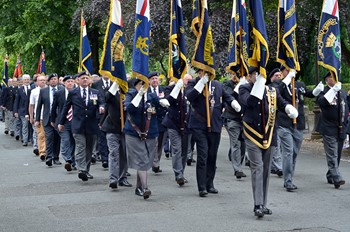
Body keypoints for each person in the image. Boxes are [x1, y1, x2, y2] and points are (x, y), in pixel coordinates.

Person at [238, 67, 298, 217]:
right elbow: (250, 103)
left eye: (261, 74)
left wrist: (288, 108)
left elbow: (281, 103)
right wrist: (258, 84)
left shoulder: (272, 91)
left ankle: (263, 203)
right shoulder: (244, 88)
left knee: (265, 170)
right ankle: (257, 204)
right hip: (252, 134)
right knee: (257, 167)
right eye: (256, 75)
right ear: (250, 76)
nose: (258, 77)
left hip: (269, 133)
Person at [186, 69, 241, 197]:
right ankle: (202, 187)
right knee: (203, 155)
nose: (205, 75)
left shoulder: (217, 85)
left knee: (212, 155)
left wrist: (233, 102)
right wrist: (201, 83)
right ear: (198, 73)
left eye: (208, 72)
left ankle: (209, 183)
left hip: (215, 125)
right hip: (199, 125)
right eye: (202, 72)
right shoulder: (192, 83)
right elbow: (189, 96)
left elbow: (227, 96)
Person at [124, 77, 169, 199]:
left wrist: (162, 104)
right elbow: (129, 109)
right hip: (134, 133)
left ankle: (138, 187)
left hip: (150, 132)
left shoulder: (151, 96)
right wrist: (139, 96)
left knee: (145, 160)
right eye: (140, 84)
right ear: (135, 86)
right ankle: (145, 188)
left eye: (145, 85)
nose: (143, 87)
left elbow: (160, 111)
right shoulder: (131, 94)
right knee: (141, 159)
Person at [277, 66, 321, 191]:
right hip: (284, 123)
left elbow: (308, 93)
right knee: (288, 151)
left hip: (298, 123)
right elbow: (277, 92)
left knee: (294, 152)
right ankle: (288, 181)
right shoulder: (279, 84)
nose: (290, 72)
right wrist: (286, 80)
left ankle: (289, 176)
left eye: (291, 70)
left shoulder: (299, 84)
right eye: (286, 70)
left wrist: (317, 90)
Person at [58, 71, 105, 181]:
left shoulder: (95, 92)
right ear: (78, 80)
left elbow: (101, 103)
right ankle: (81, 169)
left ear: (89, 80)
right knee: (80, 146)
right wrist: (61, 122)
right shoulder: (73, 92)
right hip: (78, 125)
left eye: (86, 78)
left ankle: (86, 170)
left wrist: (102, 107)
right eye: (82, 78)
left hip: (91, 125)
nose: (84, 80)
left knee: (89, 149)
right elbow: (66, 108)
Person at [316, 71, 348, 189]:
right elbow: (322, 102)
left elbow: (346, 109)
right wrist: (333, 90)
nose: (333, 79)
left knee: (338, 154)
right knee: (332, 154)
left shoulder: (343, 92)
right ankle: (337, 177)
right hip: (328, 127)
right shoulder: (324, 92)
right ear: (326, 80)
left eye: (334, 76)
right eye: (330, 77)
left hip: (341, 128)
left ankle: (331, 174)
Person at [100, 81, 132, 189]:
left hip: (126, 129)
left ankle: (123, 178)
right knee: (114, 153)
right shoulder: (112, 93)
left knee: (124, 154)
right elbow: (107, 97)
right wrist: (114, 85)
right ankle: (113, 179)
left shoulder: (129, 94)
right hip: (112, 128)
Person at [222, 71, 247, 179]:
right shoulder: (227, 84)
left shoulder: (247, 85)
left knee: (243, 145)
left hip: (244, 119)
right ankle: (238, 169)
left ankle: (237, 162)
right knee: (236, 143)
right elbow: (229, 97)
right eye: (233, 74)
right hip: (232, 118)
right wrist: (239, 86)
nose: (233, 76)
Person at [35, 73, 63, 166]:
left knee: (57, 138)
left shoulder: (61, 89)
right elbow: (39, 106)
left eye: (55, 79)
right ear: (49, 81)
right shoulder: (44, 91)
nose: (54, 80)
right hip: (47, 117)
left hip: (58, 118)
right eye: (52, 79)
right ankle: (49, 157)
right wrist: (37, 119)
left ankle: (56, 157)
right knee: (49, 137)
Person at [51, 75, 76, 172]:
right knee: (66, 140)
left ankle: (72, 161)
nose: (70, 83)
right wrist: (53, 120)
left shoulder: (76, 92)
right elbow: (54, 107)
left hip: (74, 121)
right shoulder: (58, 93)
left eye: (71, 81)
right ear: (64, 83)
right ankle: (67, 160)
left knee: (73, 142)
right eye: (68, 81)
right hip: (62, 122)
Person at [148, 72, 168, 173]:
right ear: (149, 81)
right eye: (152, 79)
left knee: (160, 142)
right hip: (150, 120)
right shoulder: (147, 91)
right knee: (153, 142)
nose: (155, 80)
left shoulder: (163, 90)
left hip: (162, 120)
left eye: (156, 78)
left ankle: (157, 162)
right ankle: (154, 162)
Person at [91, 74, 110, 168]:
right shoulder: (96, 84)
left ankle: (111, 157)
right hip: (100, 115)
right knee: (101, 137)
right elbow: (94, 100)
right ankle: (104, 159)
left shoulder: (116, 82)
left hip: (113, 115)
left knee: (112, 137)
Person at [29, 75, 47, 159]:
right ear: (37, 82)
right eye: (41, 80)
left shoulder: (50, 90)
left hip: (49, 116)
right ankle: (42, 152)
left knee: (49, 135)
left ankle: (49, 151)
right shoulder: (34, 91)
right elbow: (31, 105)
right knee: (41, 135)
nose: (43, 82)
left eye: (44, 80)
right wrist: (31, 117)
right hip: (39, 117)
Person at [14, 74, 31, 146]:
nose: (26, 81)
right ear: (23, 81)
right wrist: (15, 111)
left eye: (28, 79)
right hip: (23, 111)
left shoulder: (33, 88)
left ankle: (31, 139)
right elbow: (16, 101)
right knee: (24, 125)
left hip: (32, 110)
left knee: (31, 126)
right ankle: (25, 140)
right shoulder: (20, 89)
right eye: (25, 79)